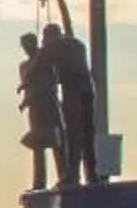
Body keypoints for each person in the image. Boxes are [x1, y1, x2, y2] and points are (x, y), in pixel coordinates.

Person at [41, 24, 100, 187]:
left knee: (73, 133)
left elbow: (40, 62)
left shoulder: (53, 46)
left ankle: (72, 174)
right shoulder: (77, 44)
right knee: (88, 132)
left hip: (73, 91)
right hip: (88, 89)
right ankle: (92, 173)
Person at [16, 31, 62, 191]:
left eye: (29, 44)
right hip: (35, 107)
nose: (27, 48)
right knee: (38, 145)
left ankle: (63, 176)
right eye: (24, 46)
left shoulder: (47, 61)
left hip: (49, 104)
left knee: (58, 142)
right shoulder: (25, 66)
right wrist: (26, 100)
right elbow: (28, 84)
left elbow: (51, 82)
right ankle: (39, 182)